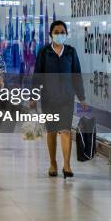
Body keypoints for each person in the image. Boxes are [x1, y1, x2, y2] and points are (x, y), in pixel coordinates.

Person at [33, 20, 86, 179]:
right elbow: (37, 76)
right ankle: (53, 163)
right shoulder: (44, 52)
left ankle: (67, 165)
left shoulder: (71, 52)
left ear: (66, 34)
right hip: (48, 99)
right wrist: (34, 96)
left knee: (65, 130)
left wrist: (82, 98)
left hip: (66, 99)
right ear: (51, 34)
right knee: (51, 132)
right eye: (56, 32)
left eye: (62, 32)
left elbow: (77, 76)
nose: (60, 34)